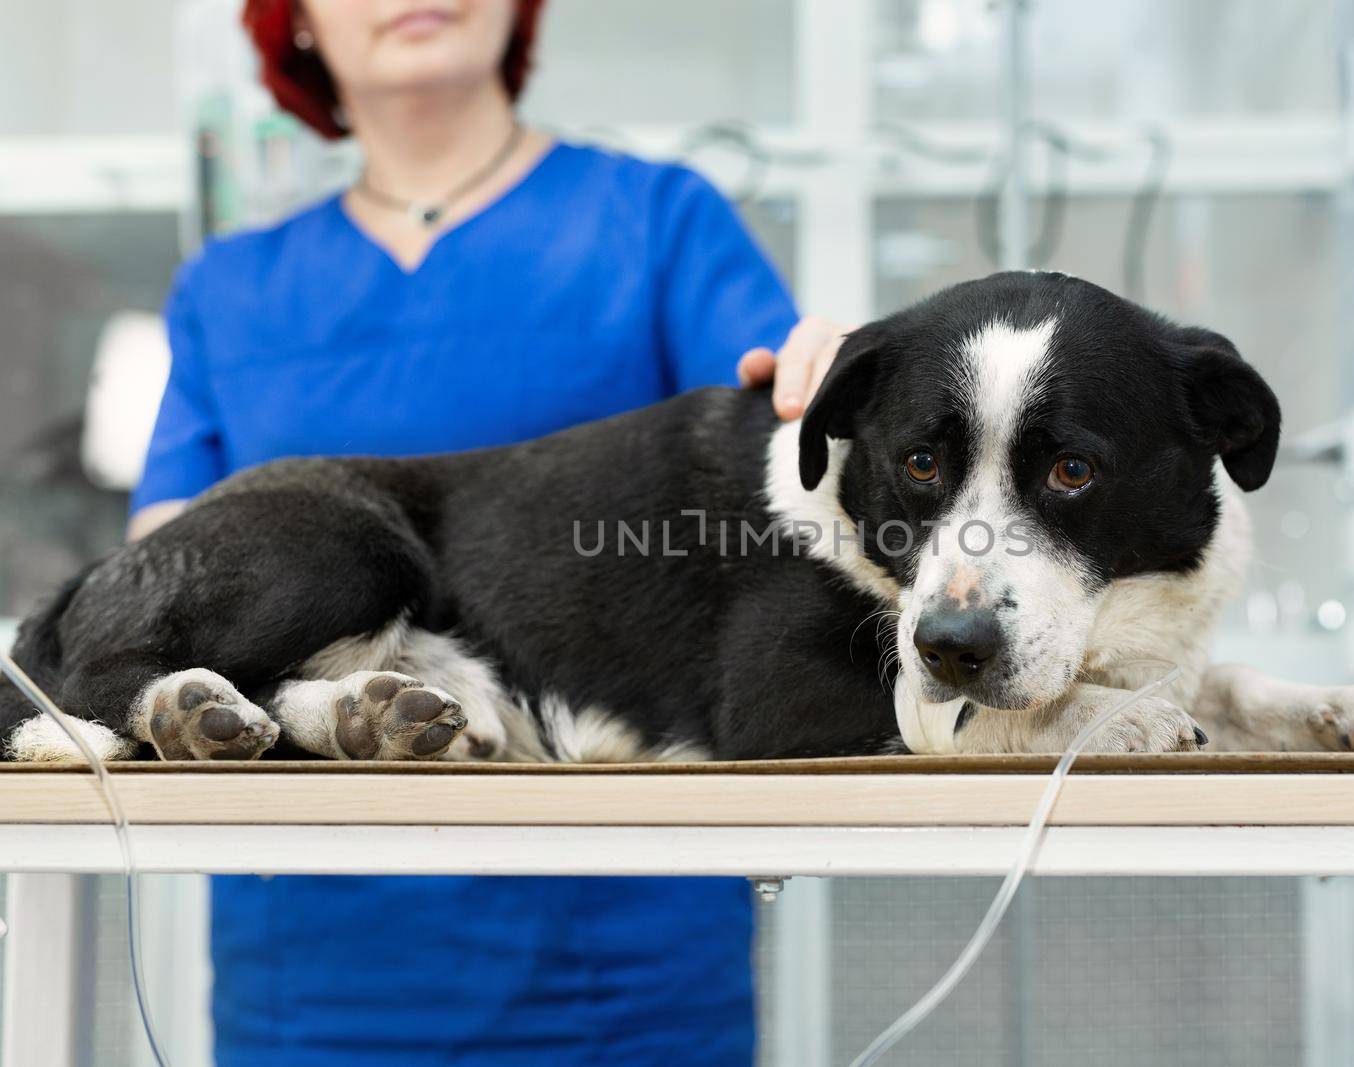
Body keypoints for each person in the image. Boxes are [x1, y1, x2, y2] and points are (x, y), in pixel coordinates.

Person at [130, 2, 841, 1062]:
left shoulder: (659, 223)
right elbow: (166, 583)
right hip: (316, 970)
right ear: (299, 26)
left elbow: (780, 474)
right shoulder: (229, 290)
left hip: (626, 960)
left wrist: (834, 387)